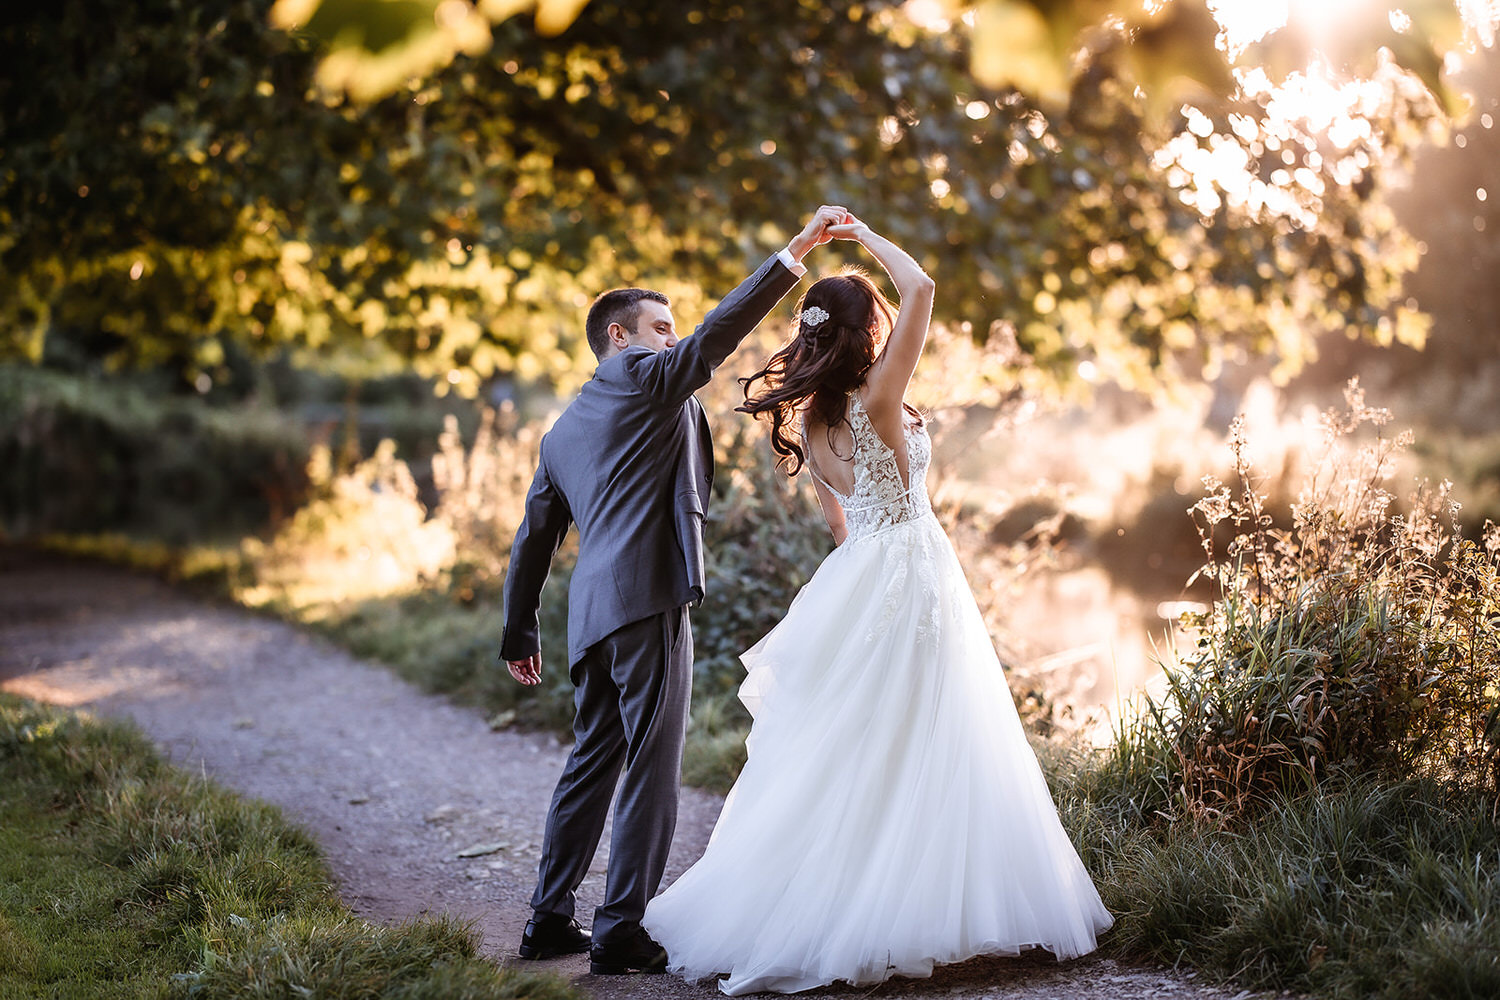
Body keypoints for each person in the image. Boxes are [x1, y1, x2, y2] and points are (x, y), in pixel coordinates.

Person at [640, 216, 1114, 994]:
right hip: (913, 569)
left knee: (858, 740)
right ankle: (901, 908)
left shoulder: (814, 416)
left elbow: (838, 526)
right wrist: (862, 237)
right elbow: (923, 286)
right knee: (932, 730)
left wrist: (863, 600)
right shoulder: (881, 396)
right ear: (870, 332)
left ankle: (835, 900)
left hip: (859, 574)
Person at [500, 205, 850, 975]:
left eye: (670, 327)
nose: (672, 336)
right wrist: (792, 254)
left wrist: (519, 631)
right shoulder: (645, 379)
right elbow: (716, 337)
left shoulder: (562, 429)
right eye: (659, 326)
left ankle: (546, 921)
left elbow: (534, 537)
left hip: (591, 616)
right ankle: (620, 929)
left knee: (593, 761)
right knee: (652, 769)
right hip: (649, 599)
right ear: (617, 338)